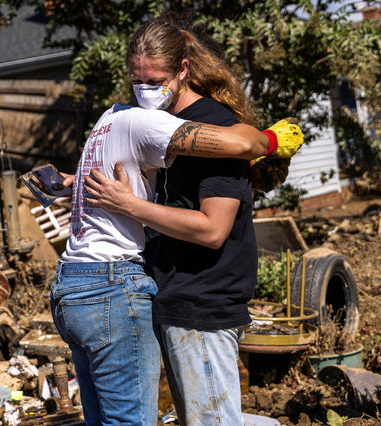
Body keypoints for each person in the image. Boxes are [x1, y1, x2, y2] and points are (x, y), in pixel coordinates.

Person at [51, 27, 303, 425]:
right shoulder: (149, 123)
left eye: (155, 81)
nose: (145, 90)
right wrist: (84, 184)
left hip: (201, 303)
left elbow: (212, 229)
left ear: (183, 70)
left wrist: (130, 205)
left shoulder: (213, 126)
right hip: (165, 295)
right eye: (137, 80)